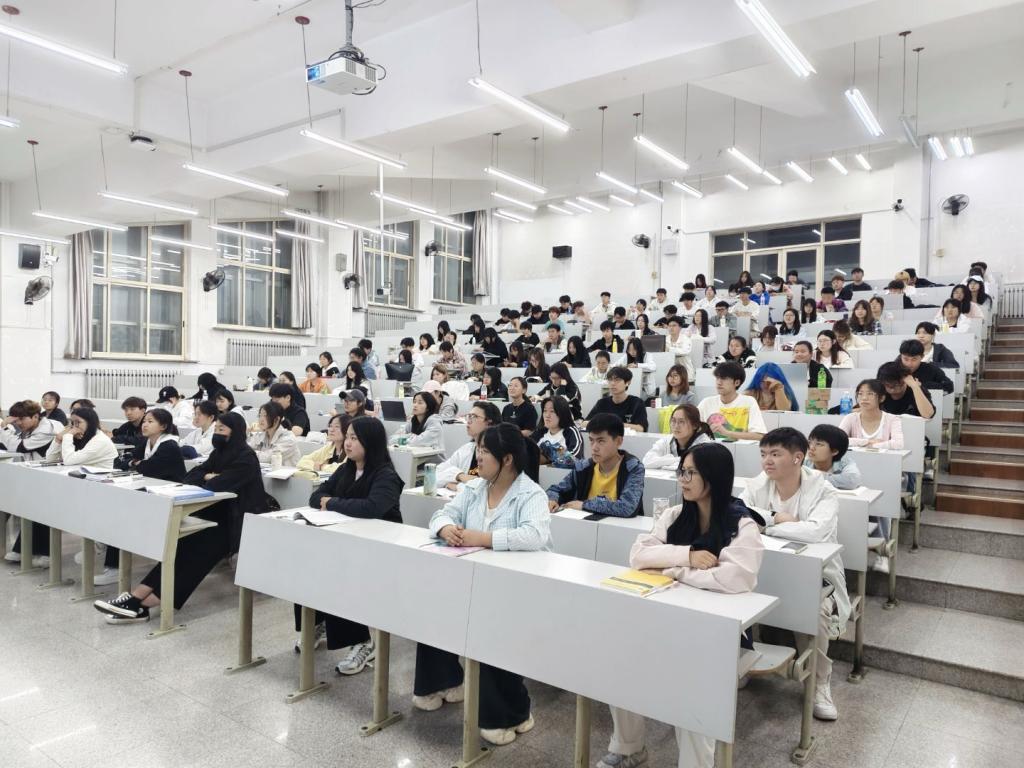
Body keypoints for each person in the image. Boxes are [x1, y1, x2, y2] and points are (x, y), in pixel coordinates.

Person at [598, 442, 764, 768]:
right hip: (664, 621)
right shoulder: (675, 515)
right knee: (619, 663)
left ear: (714, 478)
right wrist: (687, 557)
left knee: (693, 689)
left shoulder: (742, 524)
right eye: (681, 472)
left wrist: (670, 570)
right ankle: (629, 747)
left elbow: (735, 578)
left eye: (691, 473)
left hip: (716, 633)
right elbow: (638, 556)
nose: (683, 480)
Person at [418, 424, 549, 746]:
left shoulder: (531, 493)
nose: (478, 457)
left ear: (507, 459)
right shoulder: (475, 487)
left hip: (513, 590)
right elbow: (441, 514)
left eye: (485, 452)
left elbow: (534, 536)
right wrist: (446, 528)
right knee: (432, 615)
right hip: (471, 579)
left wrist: (484, 538)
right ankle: (442, 682)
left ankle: (511, 713)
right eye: (478, 450)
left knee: (490, 633)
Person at [96, 413, 265, 626]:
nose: (217, 433)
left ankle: (142, 604)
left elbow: (218, 484)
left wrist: (209, 477)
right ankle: (137, 598)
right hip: (213, 514)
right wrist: (207, 475)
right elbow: (191, 477)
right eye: (216, 429)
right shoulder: (220, 453)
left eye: (222, 429)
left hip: (236, 521)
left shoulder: (246, 457)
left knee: (197, 559)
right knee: (178, 549)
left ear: (236, 432)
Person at [739, 428, 849, 722]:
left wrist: (766, 524)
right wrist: (779, 517)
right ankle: (744, 659)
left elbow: (815, 532)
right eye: (763, 454)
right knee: (732, 591)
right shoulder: (758, 484)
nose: (767, 461)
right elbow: (739, 516)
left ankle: (820, 682)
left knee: (816, 609)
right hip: (765, 567)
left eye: (775, 454)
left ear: (798, 458)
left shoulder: (823, 489)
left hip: (813, 573)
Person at [298, 417, 405, 671]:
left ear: (371, 442)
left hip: (379, 546)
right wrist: (331, 501)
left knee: (337, 572)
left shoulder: (386, 475)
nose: (347, 443)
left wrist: (332, 502)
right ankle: (317, 622)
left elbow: (371, 508)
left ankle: (362, 642)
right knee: (306, 564)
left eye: (355, 438)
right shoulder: (346, 469)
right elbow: (316, 496)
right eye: (347, 437)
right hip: (347, 540)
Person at [2, 400, 67, 565]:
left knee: (42, 513)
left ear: (35, 416)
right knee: (31, 510)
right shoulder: (30, 428)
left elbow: (19, 447)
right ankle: (23, 549)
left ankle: (45, 553)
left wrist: (3, 427)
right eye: (16, 420)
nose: (18, 423)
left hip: (56, 477)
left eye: (21, 419)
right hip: (37, 476)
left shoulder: (47, 430)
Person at [546, 413, 644, 516]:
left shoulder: (633, 468)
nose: (594, 448)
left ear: (618, 441)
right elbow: (555, 490)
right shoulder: (583, 467)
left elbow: (627, 507)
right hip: (585, 524)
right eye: (591, 440)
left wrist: (584, 505)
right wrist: (552, 500)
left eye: (601, 441)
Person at [436, 402, 502, 488]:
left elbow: (490, 487)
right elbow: (437, 473)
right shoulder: (466, 449)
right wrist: (460, 476)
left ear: (489, 423)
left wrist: (457, 486)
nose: (469, 421)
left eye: (474, 417)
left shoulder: (498, 451)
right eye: (469, 416)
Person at [697, 362, 767, 441]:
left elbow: (759, 436)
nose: (719, 382)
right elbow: (692, 431)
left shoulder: (749, 402)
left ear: (737, 382)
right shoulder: (706, 403)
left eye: (724, 378)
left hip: (740, 448)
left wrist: (727, 433)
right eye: (717, 378)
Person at [114, 408, 184, 479]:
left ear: (163, 426)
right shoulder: (147, 441)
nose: (144, 425)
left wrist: (136, 463)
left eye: (150, 421)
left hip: (171, 483)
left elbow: (148, 469)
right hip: (152, 482)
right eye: (144, 421)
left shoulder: (169, 445)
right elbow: (120, 461)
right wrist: (134, 462)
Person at [641, 404, 713, 470]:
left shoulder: (704, 445)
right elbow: (646, 461)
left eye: (681, 422)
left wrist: (662, 463)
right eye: (673, 421)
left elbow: (692, 467)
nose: (676, 426)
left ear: (695, 425)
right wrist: (675, 459)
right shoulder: (667, 441)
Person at [839, 379, 905, 449]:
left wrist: (873, 445)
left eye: (870, 394)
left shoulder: (892, 419)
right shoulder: (850, 418)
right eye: (860, 394)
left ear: (882, 398)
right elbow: (838, 440)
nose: (864, 398)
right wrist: (867, 441)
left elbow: (899, 444)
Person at [584, 367, 649, 432]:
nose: (612, 383)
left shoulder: (637, 403)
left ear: (628, 382)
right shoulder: (602, 403)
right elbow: (584, 423)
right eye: (610, 380)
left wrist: (610, 424)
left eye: (617, 380)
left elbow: (640, 428)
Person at [531, 396, 584, 467]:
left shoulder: (571, 432)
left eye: (552, 411)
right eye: (545, 411)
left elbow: (574, 459)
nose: (547, 415)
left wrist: (553, 451)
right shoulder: (540, 431)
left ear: (562, 413)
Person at [296, 413, 351, 480]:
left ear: (347, 430)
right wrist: (317, 466)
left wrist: (321, 467)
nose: (331, 430)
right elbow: (302, 461)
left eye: (337, 427)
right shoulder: (329, 447)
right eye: (330, 426)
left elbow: (344, 469)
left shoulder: (351, 449)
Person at [806, 425, 862, 490]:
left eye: (819, 444)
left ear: (834, 451)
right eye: (809, 442)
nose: (811, 447)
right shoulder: (804, 462)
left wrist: (813, 476)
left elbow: (852, 481)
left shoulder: (845, 464)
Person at [248, 401, 301, 467]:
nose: (261, 419)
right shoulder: (260, 435)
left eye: (265, 416)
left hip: (287, 473)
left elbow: (268, 458)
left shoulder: (289, 439)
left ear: (277, 419)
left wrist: (249, 453)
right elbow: (246, 448)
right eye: (260, 415)